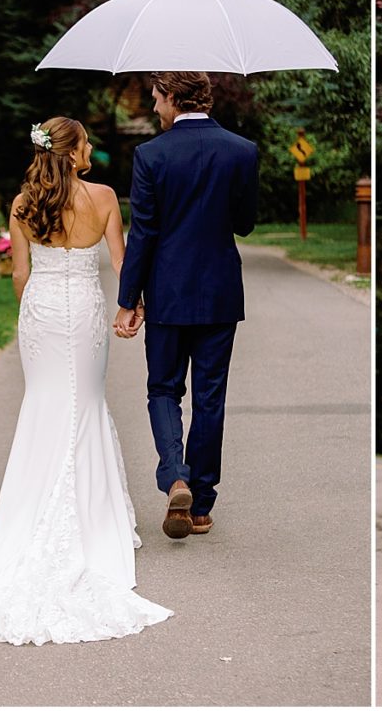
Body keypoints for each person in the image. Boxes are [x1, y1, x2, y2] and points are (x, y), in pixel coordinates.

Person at [0, 116, 172, 645]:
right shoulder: (105, 197)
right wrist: (129, 308)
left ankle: (31, 515)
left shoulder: (24, 204)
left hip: (43, 314)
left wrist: (32, 316)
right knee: (85, 404)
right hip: (85, 314)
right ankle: (94, 521)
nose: (92, 147)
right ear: (71, 153)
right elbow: (122, 262)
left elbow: (20, 276)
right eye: (87, 141)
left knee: (46, 406)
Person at [115, 71, 259, 540]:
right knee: (209, 398)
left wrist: (127, 300)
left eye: (157, 99)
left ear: (174, 98)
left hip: (168, 293)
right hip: (219, 294)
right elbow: (245, 224)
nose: (155, 108)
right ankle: (199, 505)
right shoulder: (242, 151)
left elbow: (144, 234)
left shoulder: (151, 155)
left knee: (163, 389)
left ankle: (175, 475)